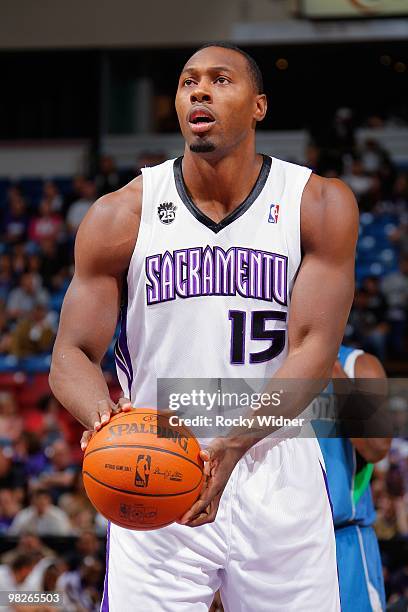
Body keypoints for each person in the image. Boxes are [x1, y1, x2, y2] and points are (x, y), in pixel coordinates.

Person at [50, 43, 358, 611]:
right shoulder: (122, 213)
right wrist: (102, 417)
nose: (200, 90)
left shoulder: (316, 204)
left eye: (221, 79)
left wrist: (234, 446)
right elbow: (71, 353)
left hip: (276, 459)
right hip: (157, 456)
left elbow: (315, 351)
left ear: (259, 105)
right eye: (189, 80)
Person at [317, 346, 391, 612]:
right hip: (271, 542)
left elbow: (377, 445)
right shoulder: (258, 365)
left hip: (343, 543)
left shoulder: (357, 365)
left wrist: (331, 368)